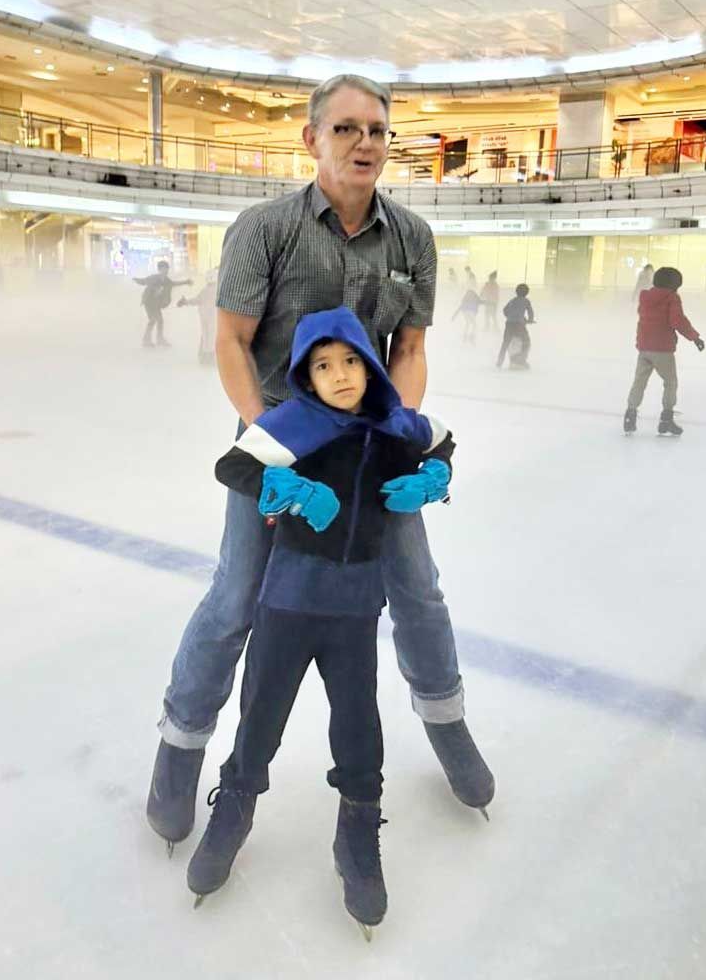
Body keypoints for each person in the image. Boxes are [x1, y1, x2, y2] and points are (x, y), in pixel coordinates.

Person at [146, 73, 495, 861]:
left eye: (377, 130)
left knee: (417, 587)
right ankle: (181, 744)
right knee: (236, 594)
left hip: (370, 446)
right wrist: (272, 448)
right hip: (281, 436)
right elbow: (232, 342)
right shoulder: (266, 228)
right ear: (311, 139)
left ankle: (447, 722)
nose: (364, 143)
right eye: (346, 129)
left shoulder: (412, 238)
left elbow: (409, 350)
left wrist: (400, 440)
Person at [186, 307, 455, 937]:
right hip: (287, 603)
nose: (339, 375)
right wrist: (292, 488)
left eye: (351, 361)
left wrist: (435, 478)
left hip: (356, 609)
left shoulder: (395, 425)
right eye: (324, 365)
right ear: (306, 377)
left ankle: (357, 831)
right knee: (262, 716)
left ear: (370, 365)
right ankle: (235, 807)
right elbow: (234, 465)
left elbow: (442, 442)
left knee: (359, 726)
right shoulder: (296, 424)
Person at [623, 266, 704, 436]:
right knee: (670, 382)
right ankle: (666, 419)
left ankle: (630, 415)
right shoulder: (671, 298)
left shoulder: (645, 297)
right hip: (662, 349)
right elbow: (678, 321)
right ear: (673, 284)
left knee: (639, 381)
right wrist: (695, 337)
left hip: (644, 348)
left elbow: (644, 319)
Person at [134, 260, 192, 348]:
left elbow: (174, 283)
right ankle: (147, 340)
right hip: (149, 302)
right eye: (163, 269)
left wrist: (186, 282)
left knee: (159, 320)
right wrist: (136, 280)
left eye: (166, 268)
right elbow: (144, 281)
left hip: (156, 304)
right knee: (153, 320)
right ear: (159, 270)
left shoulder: (166, 280)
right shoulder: (153, 278)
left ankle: (158, 339)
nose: (166, 270)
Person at [177, 266, 218, 363]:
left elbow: (196, 300)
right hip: (214, 317)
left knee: (206, 335)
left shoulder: (205, 290)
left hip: (204, 316)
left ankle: (205, 356)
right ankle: (210, 356)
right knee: (212, 335)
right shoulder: (219, 290)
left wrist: (185, 302)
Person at [496, 283, 535, 369]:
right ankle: (521, 361)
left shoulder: (512, 300)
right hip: (519, 325)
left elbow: (505, 310)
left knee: (505, 343)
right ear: (527, 293)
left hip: (509, 324)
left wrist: (510, 316)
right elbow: (530, 312)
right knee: (526, 342)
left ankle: (499, 362)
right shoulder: (526, 301)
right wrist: (530, 320)